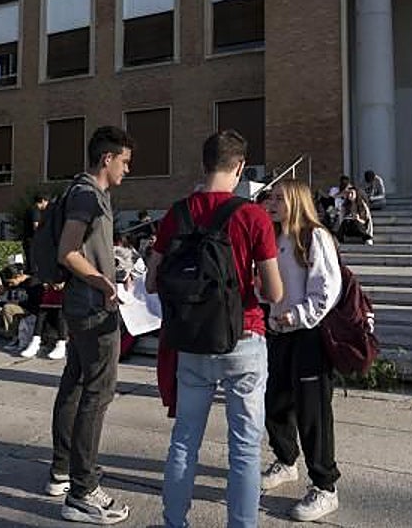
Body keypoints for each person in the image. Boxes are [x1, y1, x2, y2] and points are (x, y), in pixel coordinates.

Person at [147, 129, 283, 528]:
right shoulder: (253, 215)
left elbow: (152, 281)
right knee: (243, 449)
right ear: (239, 167)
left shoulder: (177, 213)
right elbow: (274, 291)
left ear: (204, 164)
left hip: (191, 342)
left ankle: (175, 522)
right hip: (243, 338)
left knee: (184, 442)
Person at [47, 125, 134, 524]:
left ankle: (62, 472)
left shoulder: (79, 190)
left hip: (80, 304)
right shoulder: (87, 194)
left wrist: (111, 265)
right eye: (125, 161)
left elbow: (79, 248)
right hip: (92, 308)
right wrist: (101, 281)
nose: (127, 170)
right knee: (97, 394)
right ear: (108, 159)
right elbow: (68, 250)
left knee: (76, 383)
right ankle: (83, 492)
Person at [260, 179, 344, 522]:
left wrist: (297, 315)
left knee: (313, 413)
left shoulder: (314, 236)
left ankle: (325, 486)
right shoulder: (274, 237)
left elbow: (328, 287)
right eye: (271, 197)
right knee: (274, 400)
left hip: (308, 335)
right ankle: (286, 460)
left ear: (296, 201)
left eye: (280, 198)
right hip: (277, 332)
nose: (272, 202)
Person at [23, 195, 48, 274]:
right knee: (34, 267)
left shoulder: (31, 209)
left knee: (32, 265)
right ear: (43, 200)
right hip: (32, 241)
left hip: (29, 241)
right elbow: (36, 227)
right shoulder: (35, 210)